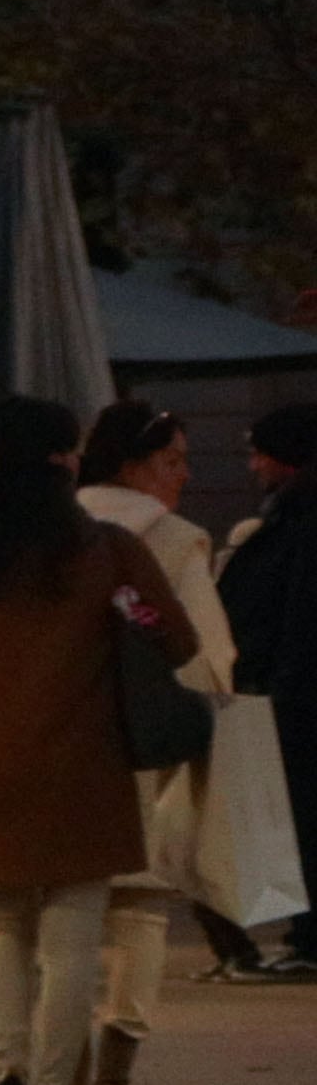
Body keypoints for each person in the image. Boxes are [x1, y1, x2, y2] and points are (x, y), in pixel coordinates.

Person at [0, 395, 193, 1085]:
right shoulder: (104, 549)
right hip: (85, 763)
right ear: (66, 459)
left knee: (4, 926)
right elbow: (177, 638)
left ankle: (6, 1073)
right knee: (71, 934)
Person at [76, 402, 238, 1085]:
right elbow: (208, 657)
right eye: (172, 460)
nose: (184, 474)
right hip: (143, 748)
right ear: (131, 466)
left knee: (57, 915)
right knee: (138, 908)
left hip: (58, 742)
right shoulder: (172, 539)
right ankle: (112, 1080)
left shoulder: (51, 526)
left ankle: (47, 1074)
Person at [216, 402, 317, 970]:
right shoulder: (290, 513)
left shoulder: (300, 518)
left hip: (297, 695)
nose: (253, 465)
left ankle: (311, 937)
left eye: (260, 453)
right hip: (291, 690)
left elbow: (300, 610)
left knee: (302, 816)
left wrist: (285, 686)